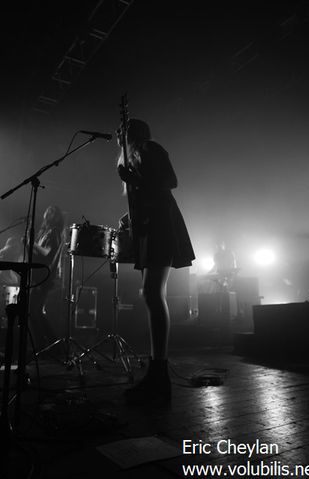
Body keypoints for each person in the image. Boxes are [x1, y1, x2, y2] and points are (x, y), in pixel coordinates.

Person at [117, 118, 195, 404]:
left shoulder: (150, 148)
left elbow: (170, 182)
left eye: (123, 132)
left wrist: (135, 180)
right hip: (151, 226)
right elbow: (148, 193)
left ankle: (159, 374)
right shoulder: (135, 156)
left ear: (132, 133)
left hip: (161, 226)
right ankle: (156, 372)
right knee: (150, 295)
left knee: (152, 293)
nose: (119, 136)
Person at [27, 205, 65, 350]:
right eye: (47, 209)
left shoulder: (54, 232)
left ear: (57, 217)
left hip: (44, 277)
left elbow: (47, 253)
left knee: (33, 311)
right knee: (34, 311)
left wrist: (33, 244)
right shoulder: (45, 232)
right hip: (38, 275)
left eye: (52, 211)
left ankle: (47, 345)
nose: (48, 212)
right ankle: (50, 345)